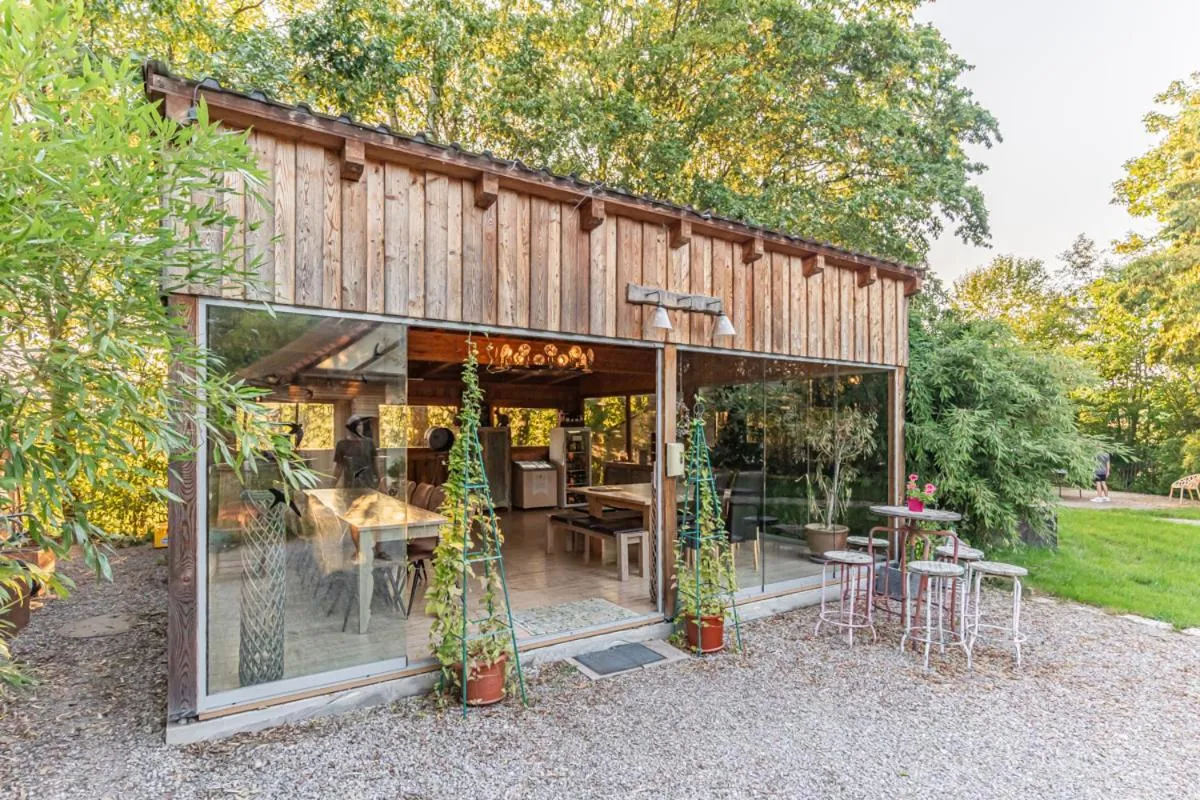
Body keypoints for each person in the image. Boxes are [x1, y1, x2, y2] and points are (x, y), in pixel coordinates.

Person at [333, 414, 389, 559]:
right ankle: (359, 550)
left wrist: (382, 484)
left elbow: (376, 466)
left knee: (376, 519)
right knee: (355, 521)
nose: (359, 427)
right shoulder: (342, 445)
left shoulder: (369, 444)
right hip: (351, 489)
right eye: (356, 425)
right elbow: (339, 467)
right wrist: (331, 485)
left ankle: (378, 550)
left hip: (370, 487)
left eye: (360, 425)